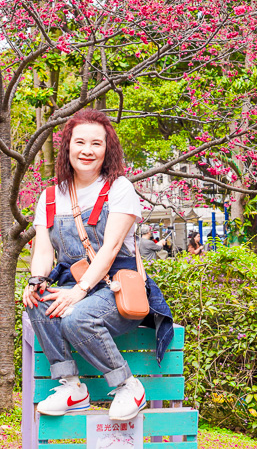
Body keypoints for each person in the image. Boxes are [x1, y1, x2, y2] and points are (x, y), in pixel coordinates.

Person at [23, 109, 173, 422]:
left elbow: (111, 247)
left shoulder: (120, 189)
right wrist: (36, 280)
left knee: (76, 318)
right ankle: (72, 387)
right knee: (38, 303)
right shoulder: (50, 196)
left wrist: (78, 292)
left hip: (116, 288)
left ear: (107, 149)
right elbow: (43, 248)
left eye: (96, 143)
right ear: (67, 147)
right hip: (76, 286)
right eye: (80, 142)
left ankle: (128, 387)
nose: (87, 150)